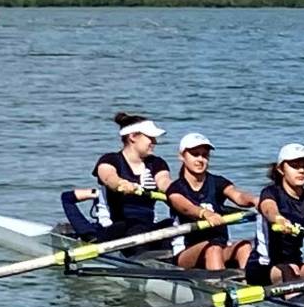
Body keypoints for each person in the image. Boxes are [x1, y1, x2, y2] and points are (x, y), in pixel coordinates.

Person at [245, 144, 304, 285]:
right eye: (295, 166)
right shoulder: (270, 193)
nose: (301, 171)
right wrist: (278, 220)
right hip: (262, 266)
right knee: (289, 270)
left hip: (295, 263)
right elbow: (269, 209)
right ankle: (295, 303)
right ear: (281, 169)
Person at [166, 133, 258, 270]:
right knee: (212, 249)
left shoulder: (217, 182)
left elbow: (238, 196)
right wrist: (205, 213)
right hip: (186, 252)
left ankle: (249, 286)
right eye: (195, 154)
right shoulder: (176, 189)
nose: (200, 159)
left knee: (243, 246)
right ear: (181, 156)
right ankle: (218, 286)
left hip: (220, 247)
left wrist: (256, 200)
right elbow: (187, 208)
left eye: (204, 155)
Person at [89, 112, 171, 240]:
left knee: (172, 224)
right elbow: (109, 177)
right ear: (132, 137)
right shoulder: (110, 160)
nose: (155, 142)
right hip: (113, 227)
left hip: (146, 227)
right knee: (133, 227)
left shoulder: (157, 163)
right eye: (150, 137)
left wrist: (180, 191)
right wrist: (121, 184)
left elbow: (164, 182)